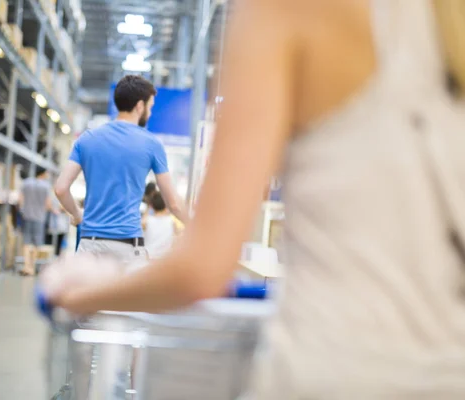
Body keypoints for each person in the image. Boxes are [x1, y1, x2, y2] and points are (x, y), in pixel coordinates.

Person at [43, 0, 465, 397]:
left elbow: (200, 268)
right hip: (450, 374)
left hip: (329, 371)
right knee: (135, 337)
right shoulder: (447, 24)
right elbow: (174, 203)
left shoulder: (285, 12)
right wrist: (189, 225)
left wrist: (72, 286)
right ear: (143, 104)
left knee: (86, 341)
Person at [54, 75, 188, 268]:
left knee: (90, 298)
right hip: (127, 248)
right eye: (150, 107)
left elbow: (60, 189)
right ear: (140, 106)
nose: (149, 113)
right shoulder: (151, 144)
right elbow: (173, 204)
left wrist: (77, 214)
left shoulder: (87, 139)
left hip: (90, 245)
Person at [19, 168, 51, 276]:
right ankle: (32, 267)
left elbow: (20, 199)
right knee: (37, 243)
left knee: (26, 242)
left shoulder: (26, 183)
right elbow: (48, 204)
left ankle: (26, 266)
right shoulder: (46, 186)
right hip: (39, 217)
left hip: (27, 216)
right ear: (42, 174)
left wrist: (23, 211)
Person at [142, 192, 178, 259]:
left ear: (151, 206)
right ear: (166, 205)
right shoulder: (172, 222)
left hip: (148, 259)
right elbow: (175, 242)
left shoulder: (146, 221)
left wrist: (148, 208)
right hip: (164, 261)